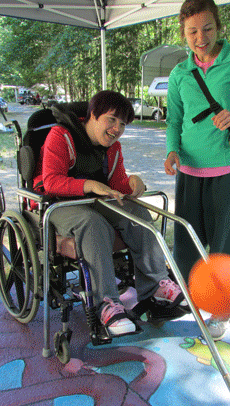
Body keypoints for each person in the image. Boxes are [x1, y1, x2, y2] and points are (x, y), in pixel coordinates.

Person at [33, 90, 188, 337]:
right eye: (112, 119)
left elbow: (117, 185)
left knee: (136, 210)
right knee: (93, 223)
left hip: (94, 201)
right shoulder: (60, 136)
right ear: (92, 115)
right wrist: (90, 185)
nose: (117, 129)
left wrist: (134, 183)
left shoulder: (113, 148)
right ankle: (106, 304)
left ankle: (155, 285)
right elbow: (51, 182)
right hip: (58, 205)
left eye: (123, 124)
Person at [163, 0, 230, 340]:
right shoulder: (180, 73)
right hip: (189, 173)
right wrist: (172, 150)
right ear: (183, 33)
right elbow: (175, 121)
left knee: (224, 247)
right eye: (192, 31)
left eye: (207, 28)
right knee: (187, 247)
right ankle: (192, 303)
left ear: (218, 26)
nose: (200, 37)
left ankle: (222, 311)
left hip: (226, 169)